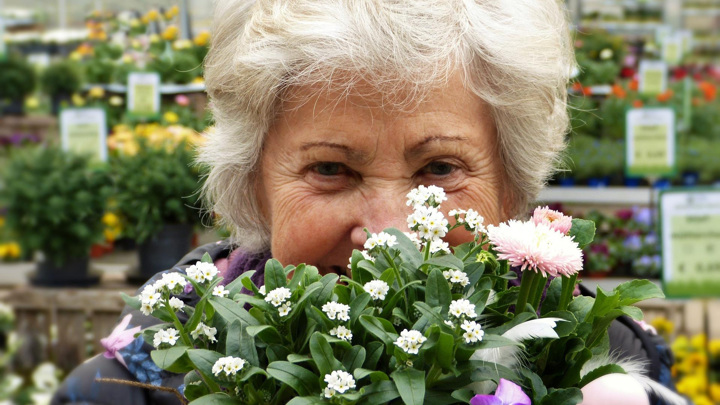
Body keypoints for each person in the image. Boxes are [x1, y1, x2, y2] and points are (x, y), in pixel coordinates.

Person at [52, 1, 681, 404]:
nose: (391, 233)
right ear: (253, 186)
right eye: (330, 168)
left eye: (439, 167)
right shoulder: (127, 388)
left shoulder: (610, 371)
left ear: (513, 189)